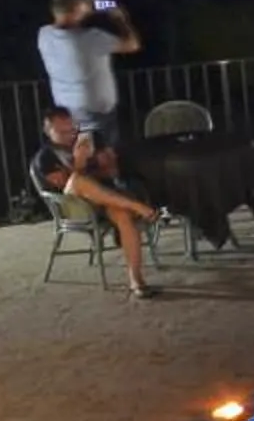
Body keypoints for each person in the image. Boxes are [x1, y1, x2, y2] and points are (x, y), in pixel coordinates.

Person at [33, 107, 164, 298]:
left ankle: (136, 280)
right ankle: (137, 206)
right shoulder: (45, 158)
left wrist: (104, 161)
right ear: (48, 131)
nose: (70, 135)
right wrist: (79, 163)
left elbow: (112, 173)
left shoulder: (88, 140)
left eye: (72, 129)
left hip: (106, 198)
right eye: (62, 132)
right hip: (76, 206)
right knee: (79, 180)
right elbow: (68, 187)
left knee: (123, 216)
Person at [36, 0, 141, 140]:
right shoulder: (91, 38)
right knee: (103, 156)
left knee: (80, 155)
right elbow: (133, 44)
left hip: (67, 113)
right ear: (77, 10)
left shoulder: (44, 35)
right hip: (96, 114)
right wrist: (120, 19)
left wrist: (87, 7)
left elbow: (70, 13)